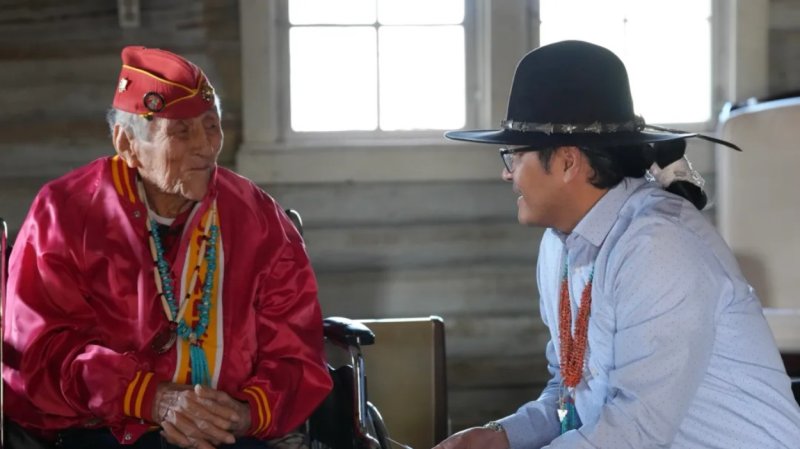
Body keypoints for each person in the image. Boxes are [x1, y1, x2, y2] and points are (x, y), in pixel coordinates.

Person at [435, 40, 800, 449]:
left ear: (568, 162)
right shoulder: (559, 245)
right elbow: (570, 392)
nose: (508, 174)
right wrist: (503, 437)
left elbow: (635, 429)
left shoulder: (659, 246)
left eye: (514, 155)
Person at [2, 46, 332, 449]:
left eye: (211, 126)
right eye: (182, 131)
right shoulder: (65, 213)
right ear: (127, 144)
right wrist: (151, 399)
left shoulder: (259, 219)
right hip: (103, 429)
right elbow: (41, 352)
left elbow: (295, 350)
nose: (207, 146)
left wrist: (246, 413)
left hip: (229, 431)